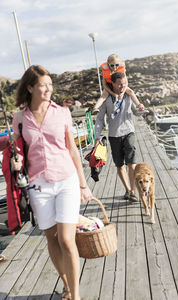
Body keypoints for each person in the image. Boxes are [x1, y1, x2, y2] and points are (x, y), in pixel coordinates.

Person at [10, 65, 92, 300]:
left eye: (50, 85)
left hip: (66, 179)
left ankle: (75, 296)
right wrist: (16, 161)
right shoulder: (20, 118)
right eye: (43, 85)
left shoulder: (62, 113)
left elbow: (73, 150)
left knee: (67, 238)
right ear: (30, 88)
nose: (48, 89)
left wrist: (83, 184)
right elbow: (17, 147)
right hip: (38, 185)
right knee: (51, 237)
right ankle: (66, 285)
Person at [95, 72, 138, 202]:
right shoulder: (106, 99)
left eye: (124, 84)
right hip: (114, 135)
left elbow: (136, 111)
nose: (122, 86)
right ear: (112, 84)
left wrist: (141, 109)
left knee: (132, 163)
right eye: (119, 84)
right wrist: (97, 137)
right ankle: (127, 189)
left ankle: (133, 191)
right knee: (120, 165)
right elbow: (99, 119)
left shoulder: (128, 95)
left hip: (129, 132)